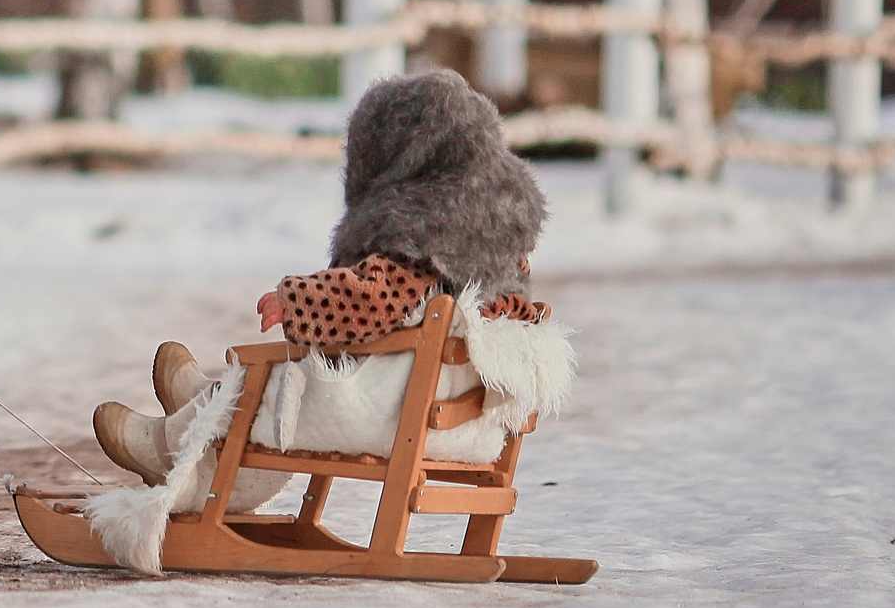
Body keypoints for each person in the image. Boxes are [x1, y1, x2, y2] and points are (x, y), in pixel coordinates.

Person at [93, 68, 555, 486]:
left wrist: (295, 299)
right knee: (277, 383)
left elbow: (370, 297)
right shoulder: (504, 252)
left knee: (270, 381)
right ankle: (204, 400)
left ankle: (170, 441)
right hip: (468, 428)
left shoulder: (420, 241)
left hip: (387, 415)